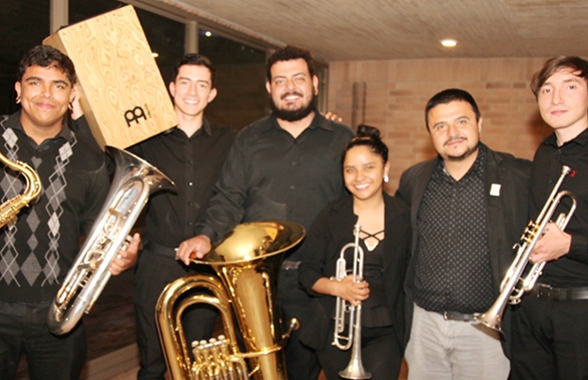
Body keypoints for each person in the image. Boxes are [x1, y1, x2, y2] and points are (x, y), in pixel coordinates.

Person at [0, 44, 139, 380]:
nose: (46, 94)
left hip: (58, 309)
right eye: (35, 82)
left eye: (59, 85)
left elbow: (97, 230)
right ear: (18, 90)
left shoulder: (91, 158)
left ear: (72, 96)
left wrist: (122, 255)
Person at [177, 45, 355, 380]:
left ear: (315, 83)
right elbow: (228, 198)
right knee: (256, 371)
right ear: (269, 88)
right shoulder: (248, 139)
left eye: (298, 78)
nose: (290, 87)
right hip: (256, 283)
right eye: (280, 81)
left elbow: (356, 204)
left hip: (317, 283)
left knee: (304, 371)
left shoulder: (343, 139)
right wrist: (205, 235)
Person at [510, 56, 588, 380]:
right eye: (546, 90)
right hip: (532, 306)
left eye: (570, 87)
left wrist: (570, 244)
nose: (556, 98)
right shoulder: (545, 152)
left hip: (585, 314)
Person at [396, 88, 531, 380]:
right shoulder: (413, 180)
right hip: (424, 327)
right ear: (430, 135)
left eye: (461, 121)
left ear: (479, 123)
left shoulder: (516, 176)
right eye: (440, 126)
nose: (452, 133)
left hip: (486, 332)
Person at [129, 53, 235, 379]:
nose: (192, 91)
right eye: (185, 82)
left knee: (196, 366)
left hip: (205, 267)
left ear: (212, 94)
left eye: (201, 85)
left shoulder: (230, 141)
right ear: (172, 88)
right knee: (152, 365)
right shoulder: (146, 140)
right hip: (155, 266)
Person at [297, 125, 411, 380]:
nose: (359, 176)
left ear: (386, 169)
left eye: (369, 167)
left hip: (387, 328)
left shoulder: (404, 216)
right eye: (350, 170)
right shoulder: (331, 215)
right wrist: (337, 287)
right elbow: (307, 272)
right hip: (335, 326)